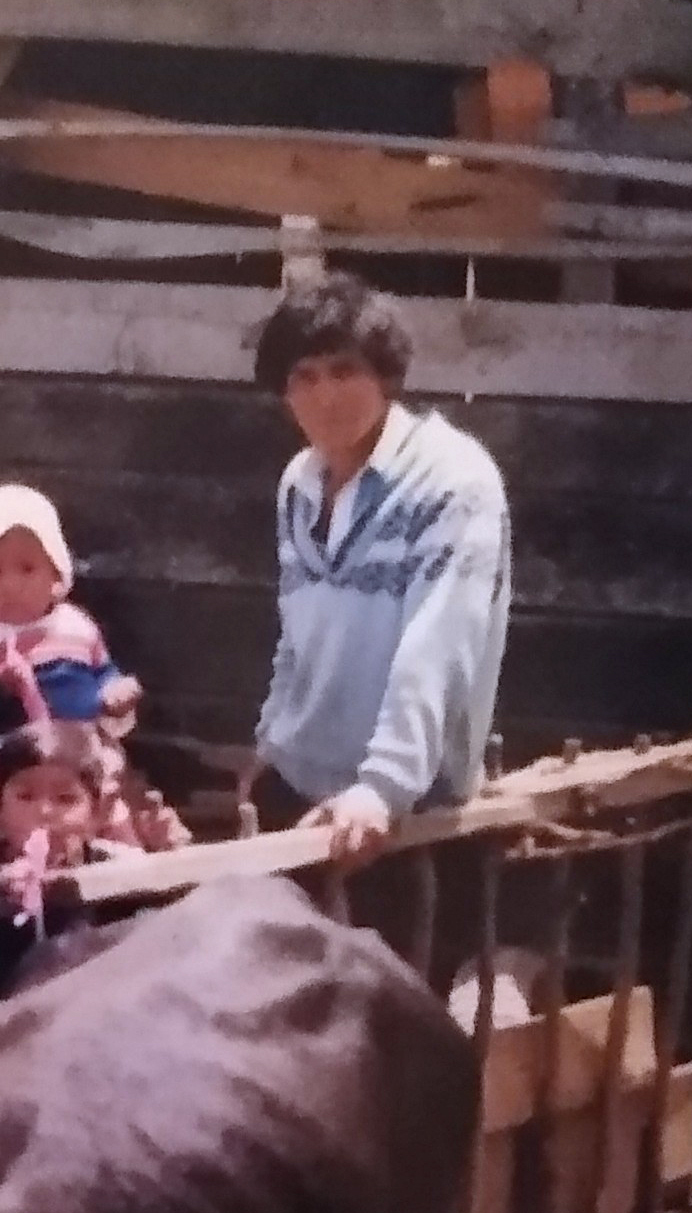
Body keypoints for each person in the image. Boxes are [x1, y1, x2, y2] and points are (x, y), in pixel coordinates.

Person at [249, 270, 513, 867]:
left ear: (386, 375)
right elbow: (298, 632)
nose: (326, 396)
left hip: (404, 810)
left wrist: (382, 787)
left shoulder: (450, 480)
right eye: (305, 377)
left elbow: (438, 644)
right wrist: (269, 742)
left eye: (345, 372)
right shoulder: (300, 483)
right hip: (300, 781)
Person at [0, 483, 141, 772]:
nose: (11, 586)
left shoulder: (78, 625)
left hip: (82, 755)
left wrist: (118, 694)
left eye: (27, 568)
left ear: (55, 572)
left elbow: (102, 674)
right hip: (5, 766)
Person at [0, 720, 127, 1028]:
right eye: (26, 796)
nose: (44, 811)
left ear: (95, 813)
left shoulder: (123, 874)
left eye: (66, 799)